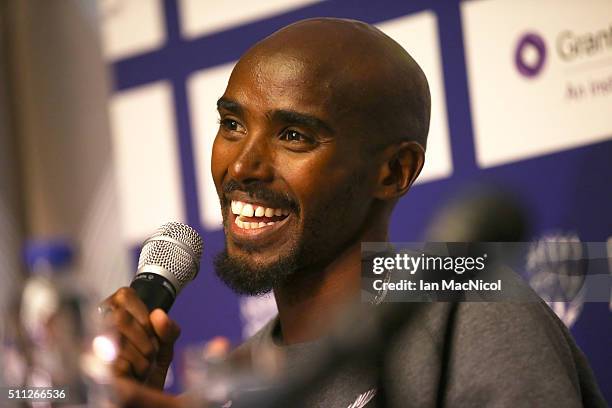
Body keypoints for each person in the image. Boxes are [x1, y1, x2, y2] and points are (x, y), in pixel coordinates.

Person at [101, 18, 606, 407]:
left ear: (394, 171)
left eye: (293, 135)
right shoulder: (235, 379)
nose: (242, 164)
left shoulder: (470, 307)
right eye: (232, 124)